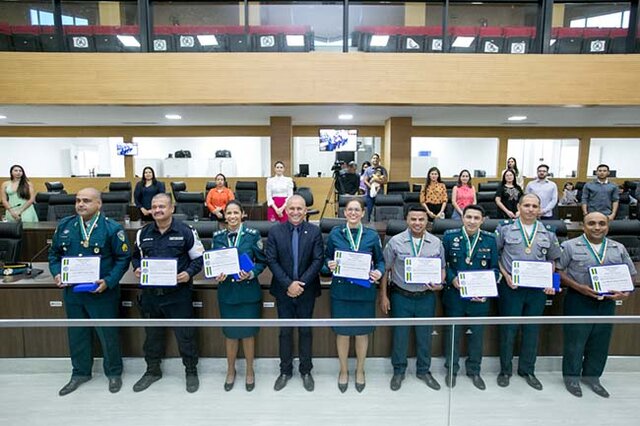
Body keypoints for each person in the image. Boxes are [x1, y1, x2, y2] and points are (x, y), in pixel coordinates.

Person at [48, 188, 131, 396]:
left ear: (98, 204)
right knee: (77, 334)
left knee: (107, 334)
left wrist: (109, 281)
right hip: (73, 294)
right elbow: (54, 255)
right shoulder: (65, 227)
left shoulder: (112, 228)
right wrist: (57, 274)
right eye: (77, 200)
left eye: (86, 200)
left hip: (102, 293)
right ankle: (80, 373)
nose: (80, 204)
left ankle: (113, 372)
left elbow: (123, 259)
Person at [556, 212, 636, 398]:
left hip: (607, 303)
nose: (597, 227)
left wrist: (626, 291)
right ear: (584, 226)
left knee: (600, 342)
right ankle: (572, 377)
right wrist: (579, 287)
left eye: (601, 223)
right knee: (575, 342)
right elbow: (558, 271)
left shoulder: (618, 247)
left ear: (607, 226)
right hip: (578, 300)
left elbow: (630, 273)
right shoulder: (569, 246)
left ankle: (592, 377)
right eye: (591, 223)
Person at [131, 193, 205, 393]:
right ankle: (152, 370)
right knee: (152, 336)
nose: (157, 210)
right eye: (154, 207)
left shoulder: (186, 231)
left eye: (162, 206)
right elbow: (136, 257)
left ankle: (190, 371)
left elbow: (199, 258)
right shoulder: (142, 233)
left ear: (172, 208)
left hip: (178, 294)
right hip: (151, 295)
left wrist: (188, 273)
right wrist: (137, 268)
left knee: (185, 335)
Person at [495, 193, 562, 390]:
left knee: (532, 331)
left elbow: (553, 261)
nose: (531, 209)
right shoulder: (505, 229)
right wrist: (506, 276)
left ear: (539, 209)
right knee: (509, 330)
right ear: (519, 206)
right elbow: (496, 256)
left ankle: (528, 370)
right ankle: (505, 370)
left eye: (534, 206)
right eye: (527, 205)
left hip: (537, 291)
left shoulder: (548, 232)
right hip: (511, 289)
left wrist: (552, 282)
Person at [380, 205, 444, 392]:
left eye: (421, 219)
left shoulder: (436, 243)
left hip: (426, 297)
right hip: (401, 296)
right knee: (400, 336)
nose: (417, 223)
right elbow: (385, 269)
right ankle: (399, 371)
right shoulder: (395, 242)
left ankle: (424, 371)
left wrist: (440, 283)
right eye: (413, 219)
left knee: (425, 336)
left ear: (427, 222)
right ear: (407, 220)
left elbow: (442, 269)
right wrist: (383, 296)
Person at [325, 198, 384, 393]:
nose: (352, 213)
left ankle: (360, 371)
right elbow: (326, 258)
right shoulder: (335, 233)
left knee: (361, 332)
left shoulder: (371, 235)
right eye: (349, 209)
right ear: (344, 213)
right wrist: (329, 265)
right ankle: (343, 371)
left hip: (363, 292)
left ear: (362, 213)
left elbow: (380, 261)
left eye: (356, 210)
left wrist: (379, 272)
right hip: (341, 292)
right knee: (342, 332)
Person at [266, 195, 324, 392]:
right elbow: (272, 260)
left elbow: (318, 260)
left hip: (307, 291)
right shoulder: (275, 231)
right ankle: (285, 371)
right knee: (285, 332)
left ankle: (306, 371)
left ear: (305, 210)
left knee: (306, 331)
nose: (296, 212)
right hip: (283, 291)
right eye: (292, 208)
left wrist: (301, 284)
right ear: (285, 210)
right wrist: (289, 284)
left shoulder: (315, 232)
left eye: (300, 208)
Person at [442, 205, 499, 390]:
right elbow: (444, 264)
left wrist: (486, 289)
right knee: (453, 335)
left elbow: (495, 269)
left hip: (479, 299)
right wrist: (452, 279)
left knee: (477, 336)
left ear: (483, 220)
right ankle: (452, 370)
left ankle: (474, 370)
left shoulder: (490, 239)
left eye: (476, 218)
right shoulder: (450, 237)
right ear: (462, 218)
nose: (472, 221)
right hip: (455, 296)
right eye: (468, 217)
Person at [212, 200, 267, 392]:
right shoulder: (217, 236)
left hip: (248, 292)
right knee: (230, 334)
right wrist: (216, 275)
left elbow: (261, 262)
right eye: (229, 213)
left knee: (248, 334)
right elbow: (213, 263)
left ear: (242, 214)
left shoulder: (253, 236)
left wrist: (251, 273)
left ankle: (250, 371)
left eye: (236, 213)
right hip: (227, 292)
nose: (232, 217)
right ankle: (230, 370)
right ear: (224, 216)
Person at [362, 154, 388, 221]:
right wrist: (371, 187)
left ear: (379, 160)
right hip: (369, 193)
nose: (375, 160)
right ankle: (368, 224)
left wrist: (376, 180)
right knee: (369, 210)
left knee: (379, 211)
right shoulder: (368, 170)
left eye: (377, 158)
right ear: (371, 160)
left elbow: (385, 181)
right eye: (374, 158)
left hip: (380, 193)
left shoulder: (383, 169)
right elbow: (365, 181)